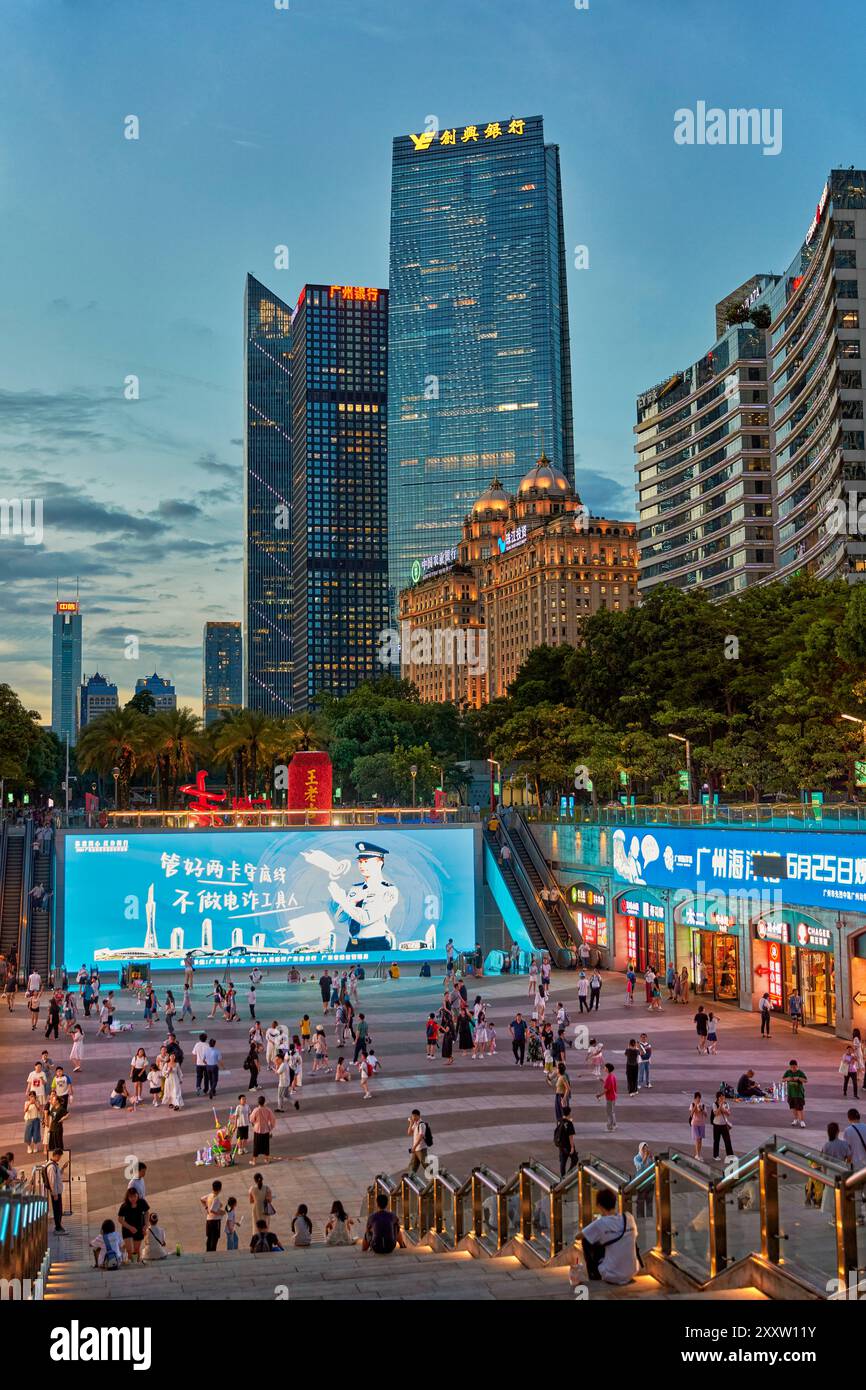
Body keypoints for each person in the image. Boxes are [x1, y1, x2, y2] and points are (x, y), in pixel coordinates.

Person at [581, 1188, 639, 1285]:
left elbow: (578, 1236)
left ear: (599, 1205)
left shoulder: (600, 1222)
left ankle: (594, 1276)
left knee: (586, 1241)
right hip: (632, 1271)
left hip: (611, 1275)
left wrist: (595, 1225)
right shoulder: (629, 1217)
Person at [118, 1187, 149, 1262]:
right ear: (128, 1197)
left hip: (139, 1228)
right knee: (129, 1250)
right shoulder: (124, 1206)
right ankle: (131, 1264)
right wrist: (130, 1227)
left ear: (137, 1195)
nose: (133, 1199)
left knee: (136, 1250)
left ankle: (137, 1263)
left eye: (135, 1196)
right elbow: (120, 1219)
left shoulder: (142, 1203)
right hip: (127, 1229)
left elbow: (146, 1213)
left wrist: (146, 1224)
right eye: (131, 1197)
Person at [250, 1095, 276, 1163]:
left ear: (258, 1102)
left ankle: (254, 1161)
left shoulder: (256, 1110)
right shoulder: (268, 1110)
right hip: (266, 1130)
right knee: (266, 1145)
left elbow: (251, 1119)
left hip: (257, 1130)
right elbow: (273, 1119)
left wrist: (254, 1123)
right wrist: (270, 1127)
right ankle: (266, 1159)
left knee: (256, 1145)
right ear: (264, 1102)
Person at [782, 1059, 808, 1127]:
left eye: (794, 1067)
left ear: (797, 1066)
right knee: (793, 1107)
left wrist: (799, 1078)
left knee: (799, 1108)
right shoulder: (788, 1072)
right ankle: (795, 1119)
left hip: (798, 1094)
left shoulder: (800, 1072)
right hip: (791, 1093)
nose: (793, 1069)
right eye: (791, 1067)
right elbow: (783, 1079)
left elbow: (805, 1080)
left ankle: (802, 1121)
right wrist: (787, 1079)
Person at [201, 1180, 224, 1252]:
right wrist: (221, 1212)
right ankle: (212, 1253)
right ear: (220, 1189)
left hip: (209, 1220)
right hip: (215, 1221)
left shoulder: (210, 1195)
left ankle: (208, 1252)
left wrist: (206, 1207)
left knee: (209, 1238)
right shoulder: (216, 1198)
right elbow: (213, 1210)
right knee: (214, 1239)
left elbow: (201, 1199)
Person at [555, 1105, 578, 1177]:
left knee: (563, 1162)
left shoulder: (559, 1121)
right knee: (575, 1159)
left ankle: (562, 1177)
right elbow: (570, 1137)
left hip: (561, 1144)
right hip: (568, 1145)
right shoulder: (569, 1124)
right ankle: (568, 1175)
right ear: (569, 1113)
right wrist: (572, 1147)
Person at [711, 1090, 733, 1158]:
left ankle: (730, 1155)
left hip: (724, 1125)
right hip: (717, 1125)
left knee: (727, 1141)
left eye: (723, 1096)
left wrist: (722, 1110)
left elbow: (728, 1113)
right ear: (717, 1097)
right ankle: (716, 1155)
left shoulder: (726, 1104)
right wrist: (720, 1106)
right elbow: (716, 1113)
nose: (722, 1097)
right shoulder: (714, 1104)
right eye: (720, 1096)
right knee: (716, 1141)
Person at [598, 1063, 618, 1131]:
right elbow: (610, 1085)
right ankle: (614, 1124)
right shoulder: (612, 1076)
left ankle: (610, 1127)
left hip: (610, 1097)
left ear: (607, 1069)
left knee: (609, 1112)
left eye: (605, 1067)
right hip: (614, 1096)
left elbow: (606, 1089)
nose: (604, 1068)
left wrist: (599, 1095)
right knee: (612, 1111)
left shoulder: (609, 1078)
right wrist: (603, 1081)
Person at [408, 1110, 428, 1174]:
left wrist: (414, 1147)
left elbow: (421, 1137)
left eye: (414, 1116)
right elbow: (409, 1133)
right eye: (412, 1116)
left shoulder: (421, 1124)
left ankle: (437, 1177)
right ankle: (409, 1177)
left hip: (421, 1148)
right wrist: (411, 1123)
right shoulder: (415, 1124)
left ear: (418, 1116)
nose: (413, 1117)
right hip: (416, 1149)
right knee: (413, 1166)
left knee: (425, 1164)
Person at [689, 1092, 708, 1160]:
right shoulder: (692, 1104)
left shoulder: (703, 1105)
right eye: (697, 1098)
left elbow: (706, 1115)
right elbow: (691, 1114)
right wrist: (695, 1106)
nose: (698, 1099)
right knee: (697, 1139)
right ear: (695, 1098)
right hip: (695, 1124)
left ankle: (699, 1154)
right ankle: (697, 1155)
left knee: (700, 1139)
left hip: (702, 1124)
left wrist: (702, 1110)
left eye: (699, 1098)